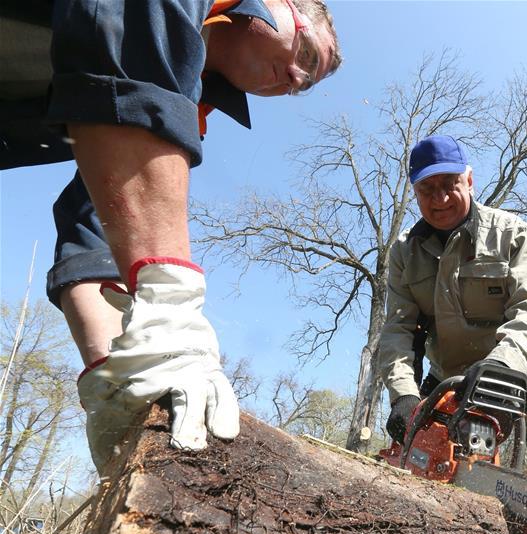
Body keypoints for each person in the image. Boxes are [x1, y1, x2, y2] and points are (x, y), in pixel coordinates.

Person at [0, 0, 341, 471]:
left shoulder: (185, 107)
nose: (298, 79)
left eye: (308, 83)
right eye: (306, 54)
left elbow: (95, 222)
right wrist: (171, 307)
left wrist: (113, 377)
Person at [377, 135, 527, 468]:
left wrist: (503, 365)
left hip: (519, 366)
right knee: (421, 459)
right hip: (446, 377)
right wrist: (404, 393)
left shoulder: (511, 233)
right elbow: (398, 329)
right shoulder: (404, 252)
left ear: (469, 180)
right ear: (415, 193)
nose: (440, 198)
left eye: (450, 184)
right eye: (427, 190)